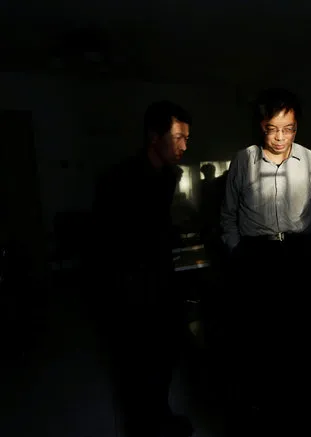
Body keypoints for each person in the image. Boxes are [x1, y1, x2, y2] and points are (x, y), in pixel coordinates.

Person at [92, 101, 193, 437]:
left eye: (186, 138)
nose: (184, 145)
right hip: (131, 289)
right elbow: (111, 241)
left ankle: (161, 417)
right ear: (154, 137)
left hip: (161, 283)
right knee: (136, 367)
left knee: (165, 357)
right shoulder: (119, 179)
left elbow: (158, 226)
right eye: (178, 137)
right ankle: (143, 427)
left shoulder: (167, 176)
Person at [220, 87, 311, 282]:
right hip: (254, 254)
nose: (280, 137)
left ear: (296, 126)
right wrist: (235, 250)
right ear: (261, 125)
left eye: (288, 129)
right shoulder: (243, 160)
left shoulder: (310, 160)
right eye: (272, 128)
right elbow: (228, 213)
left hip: (300, 251)